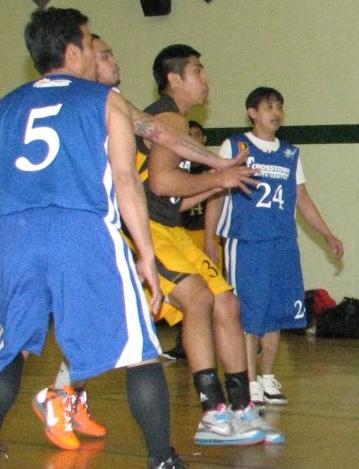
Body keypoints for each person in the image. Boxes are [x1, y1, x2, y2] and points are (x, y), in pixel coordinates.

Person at [0, 7, 212, 469]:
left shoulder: (8, 104)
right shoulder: (103, 100)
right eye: (91, 43)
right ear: (72, 50)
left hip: (15, 234)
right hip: (80, 230)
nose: (95, 51)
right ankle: (163, 467)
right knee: (138, 351)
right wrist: (148, 255)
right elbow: (129, 180)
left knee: (11, 348)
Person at [137, 45, 282, 445]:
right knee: (198, 299)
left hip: (168, 225)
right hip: (143, 229)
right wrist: (220, 179)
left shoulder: (176, 123)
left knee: (227, 303)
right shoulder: (168, 119)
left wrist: (219, 182)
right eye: (198, 71)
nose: (206, 80)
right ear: (174, 78)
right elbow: (162, 184)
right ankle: (213, 413)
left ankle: (242, 409)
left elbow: (174, 198)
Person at [205, 86, 344, 406]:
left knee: (277, 312)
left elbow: (302, 199)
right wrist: (210, 238)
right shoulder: (235, 145)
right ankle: (249, 380)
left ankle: (267, 376)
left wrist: (327, 234)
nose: (276, 112)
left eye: (280, 106)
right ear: (252, 112)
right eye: (269, 106)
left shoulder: (290, 153)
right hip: (247, 241)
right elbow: (216, 191)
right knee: (249, 313)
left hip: (282, 242)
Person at [161, 120, 211, 362]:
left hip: (206, 234)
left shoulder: (210, 171)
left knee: (217, 294)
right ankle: (183, 344)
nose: (193, 138)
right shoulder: (174, 170)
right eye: (187, 135)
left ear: (203, 140)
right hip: (181, 234)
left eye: (197, 135)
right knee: (188, 295)